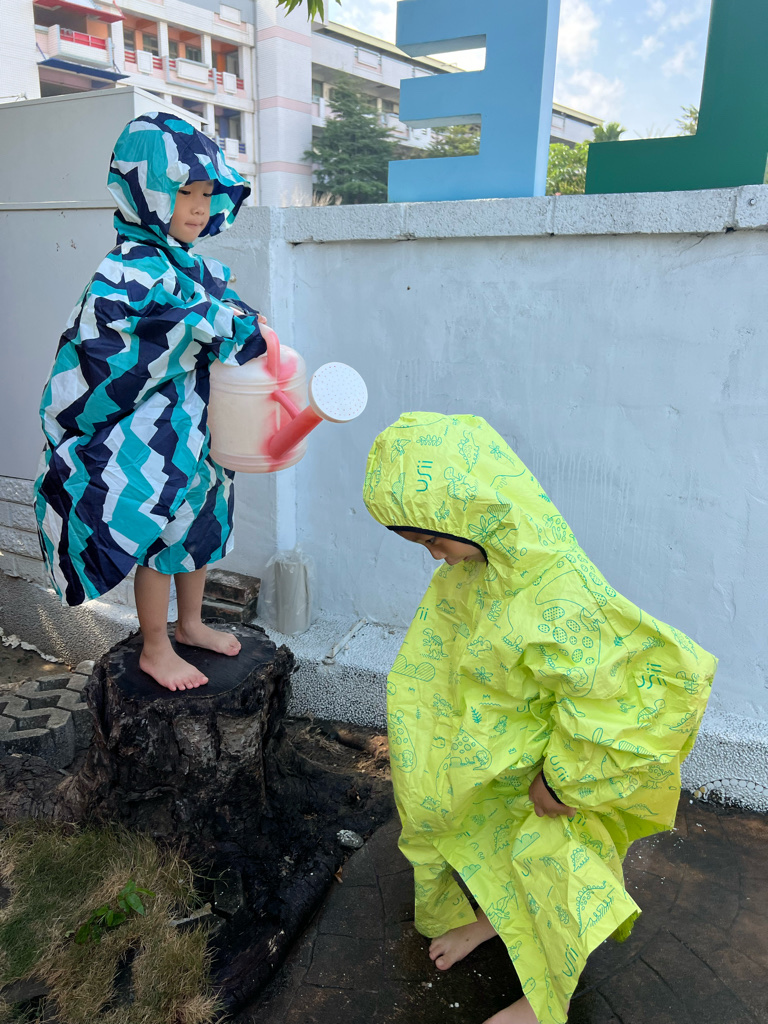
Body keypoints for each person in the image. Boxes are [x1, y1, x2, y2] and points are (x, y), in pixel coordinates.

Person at [363, 412, 716, 1024]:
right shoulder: (477, 566)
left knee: (556, 869)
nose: (435, 557)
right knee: (496, 848)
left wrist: (562, 779)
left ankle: (546, 997)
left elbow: (612, 696)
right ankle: (493, 921)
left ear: (470, 512)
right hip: (494, 758)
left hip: (550, 772)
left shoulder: (558, 588)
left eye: (433, 541)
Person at [34, 112, 268, 692]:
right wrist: (220, 325)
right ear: (146, 190)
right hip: (151, 431)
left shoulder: (192, 265)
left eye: (207, 194)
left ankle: (191, 623)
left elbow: (218, 314)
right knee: (159, 531)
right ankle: (156, 646)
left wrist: (241, 320)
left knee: (199, 523)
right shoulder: (127, 267)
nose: (199, 207)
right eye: (184, 192)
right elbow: (127, 336)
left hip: (200, 424)